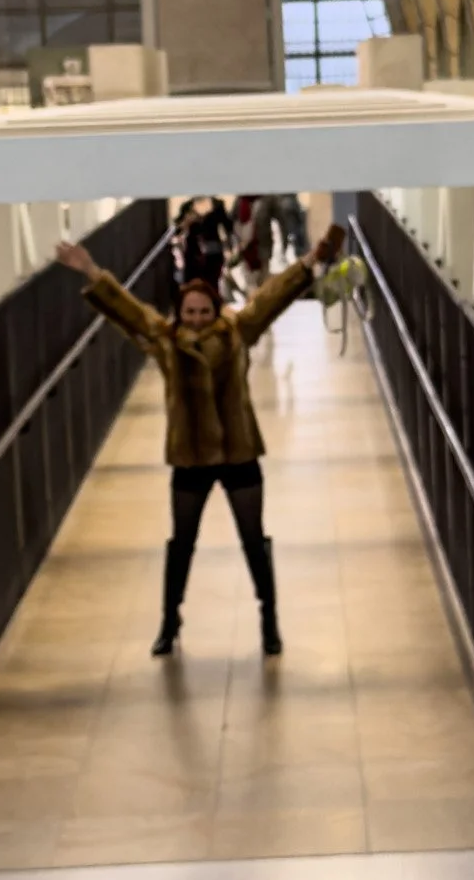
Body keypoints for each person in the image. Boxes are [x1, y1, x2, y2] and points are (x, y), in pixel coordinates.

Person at [54, 219, 346, 657]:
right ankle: (169, 623)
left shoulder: (236, 333)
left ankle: (269, 620)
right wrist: (91, 271)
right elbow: (127, 310)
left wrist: (312, 260)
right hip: (189, 457)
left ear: (214, 310)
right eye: (189, 313)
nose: (195, 319)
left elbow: (271, 299)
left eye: (202, 312)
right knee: (182, 542)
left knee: (253, 537)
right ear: (179, 313)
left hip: (238, 453)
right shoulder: (166, 341)